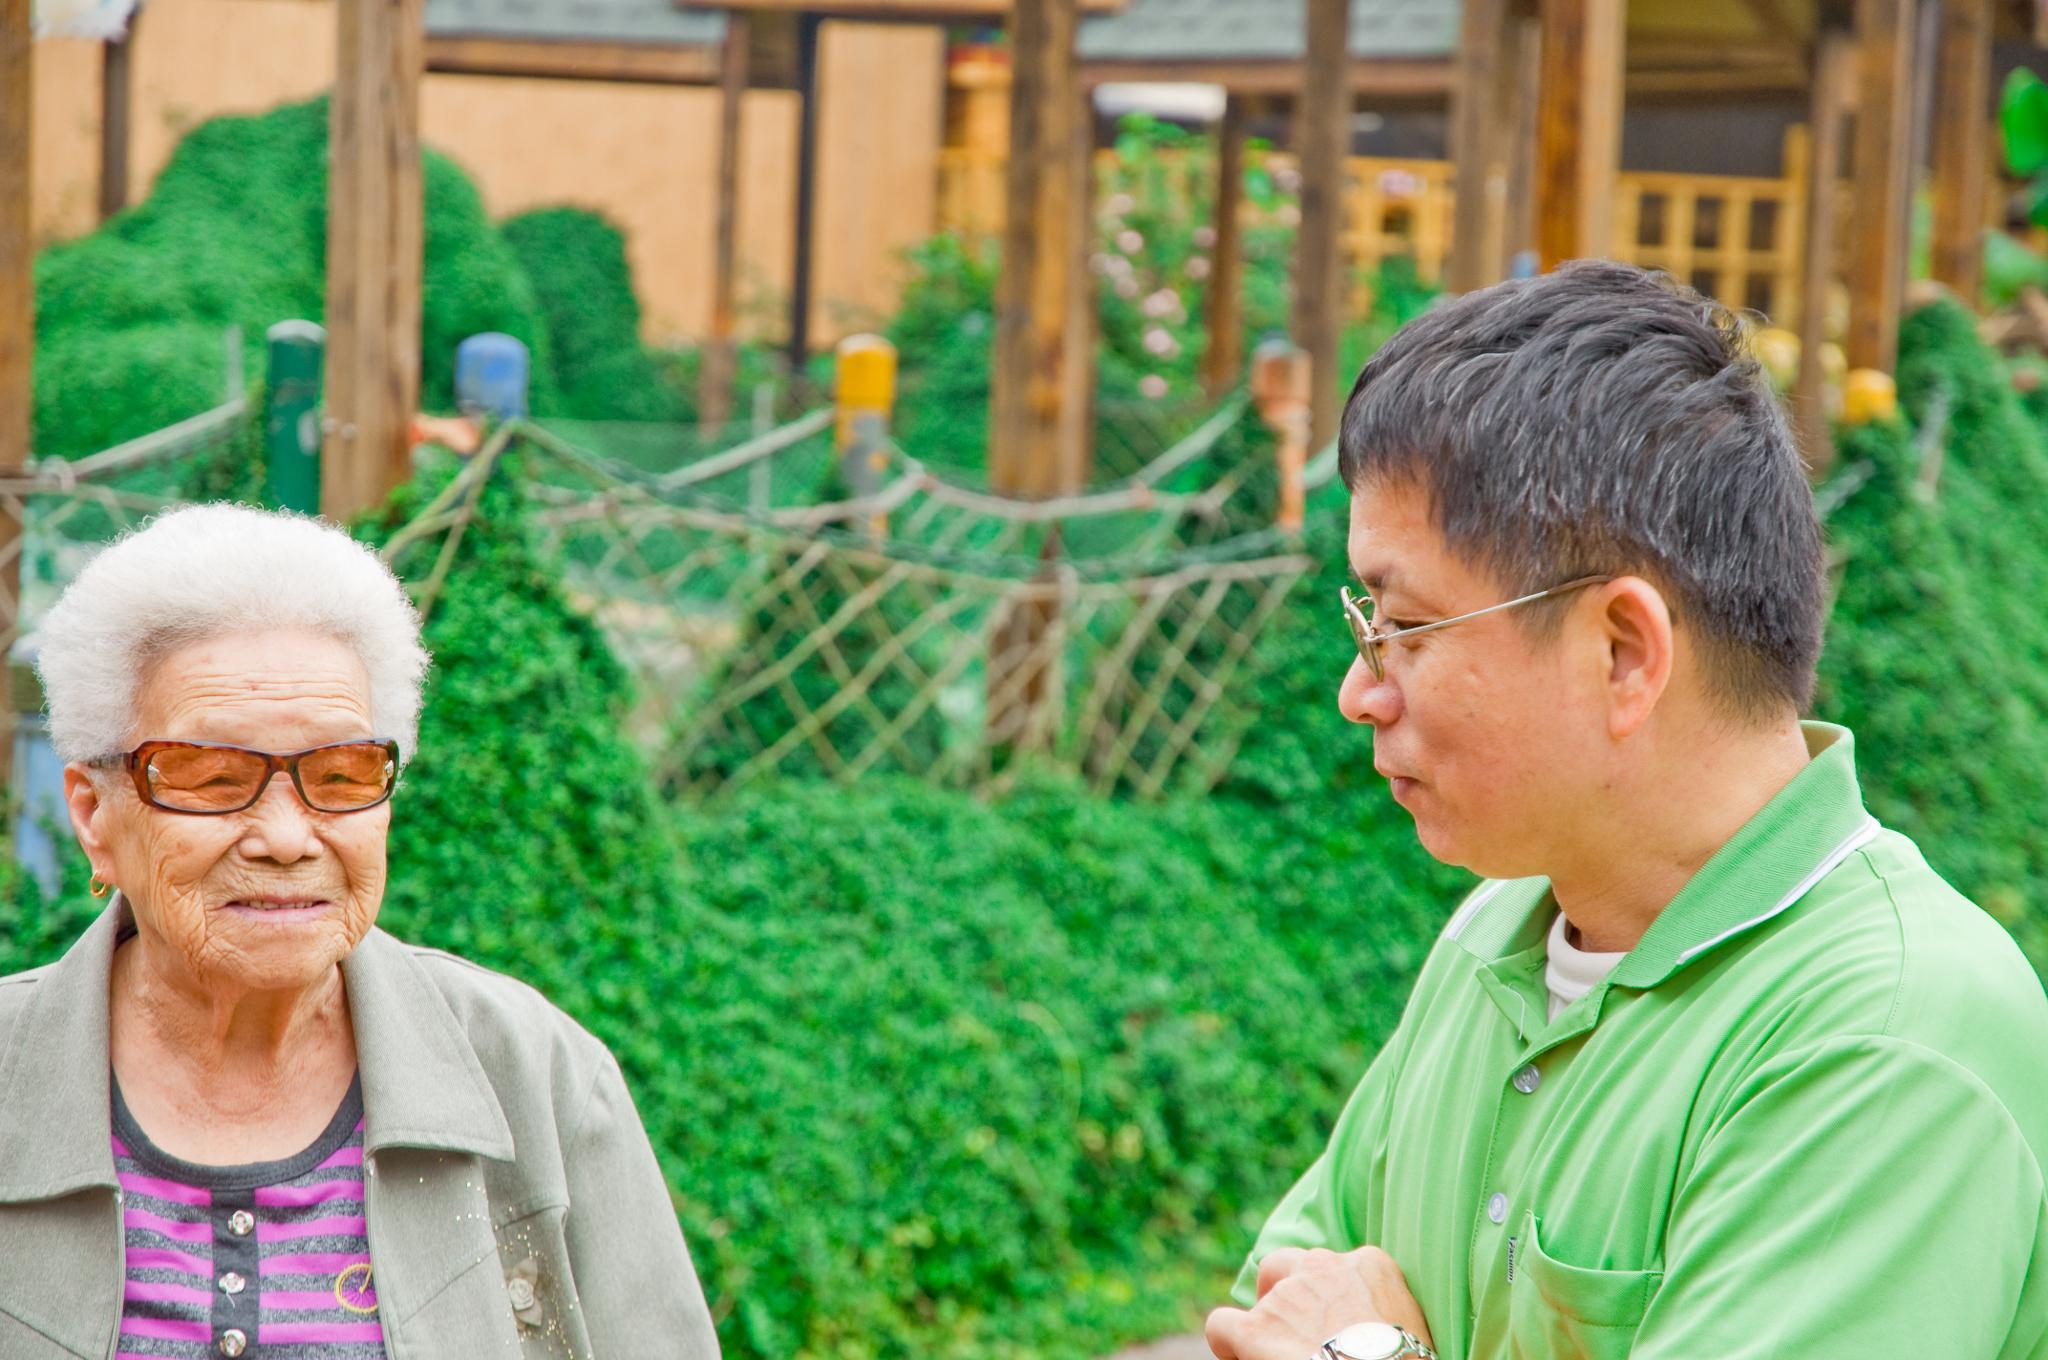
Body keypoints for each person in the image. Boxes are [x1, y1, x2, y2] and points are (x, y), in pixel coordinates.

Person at [1204, 262, 2048, 1360]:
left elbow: (1318, 1334)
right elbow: (1274, 1306)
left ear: (1622, 652)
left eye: (1403, 627)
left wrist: (1369, 1352)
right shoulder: (1497, 935)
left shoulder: (1883, 1036)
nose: (1357, 692)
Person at [0, 505, 720, 1358]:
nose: (287, 838)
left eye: (341, 775)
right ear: (94, 814)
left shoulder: (537, 1076)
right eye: (210, 776)